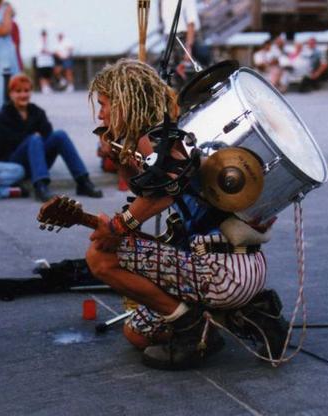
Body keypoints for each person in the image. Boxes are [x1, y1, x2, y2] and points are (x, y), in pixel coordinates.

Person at [86, 59, 287, 370]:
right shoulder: (163, 137)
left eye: (104, 104)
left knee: (100, 257)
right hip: (240, 268)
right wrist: (122, 159)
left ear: (126, 101)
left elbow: (167, 187)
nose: (100, 114)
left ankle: (192, 331)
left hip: (220, 270)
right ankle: (251, 315)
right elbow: (151, 190)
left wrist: (118, 226)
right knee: (136, 334)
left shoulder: (159, 140)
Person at [0, 73, 102, 201]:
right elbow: (9, 141)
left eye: (26, 91)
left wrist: (35, 138)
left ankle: (83, 181)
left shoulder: (36, 111)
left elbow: (48, 132)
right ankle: (41, 186)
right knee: (34, 139)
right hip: (15, 163)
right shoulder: (4, 114)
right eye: (18, 91)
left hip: (38, 159)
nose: (23, 95)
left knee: (60, 135)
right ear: (10, 94)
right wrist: (33, 137)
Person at [160, 0, 210, 87]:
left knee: (191, 77)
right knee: (173, 78)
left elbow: (191, 23)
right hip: (171, 39)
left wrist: (188, 47)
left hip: (183, 39)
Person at [35, 29, 55, 94]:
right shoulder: (38, 42)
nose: (44, 36)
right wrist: (46, 51)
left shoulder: (50, 42)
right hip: (41, 63)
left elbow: (52, 51)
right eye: (43, 35)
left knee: (48, 75)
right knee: (42, 76)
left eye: (45, 35)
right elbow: (40, 51)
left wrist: (47, 51)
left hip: (49, 62)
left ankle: (47, 87)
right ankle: (43, 87)